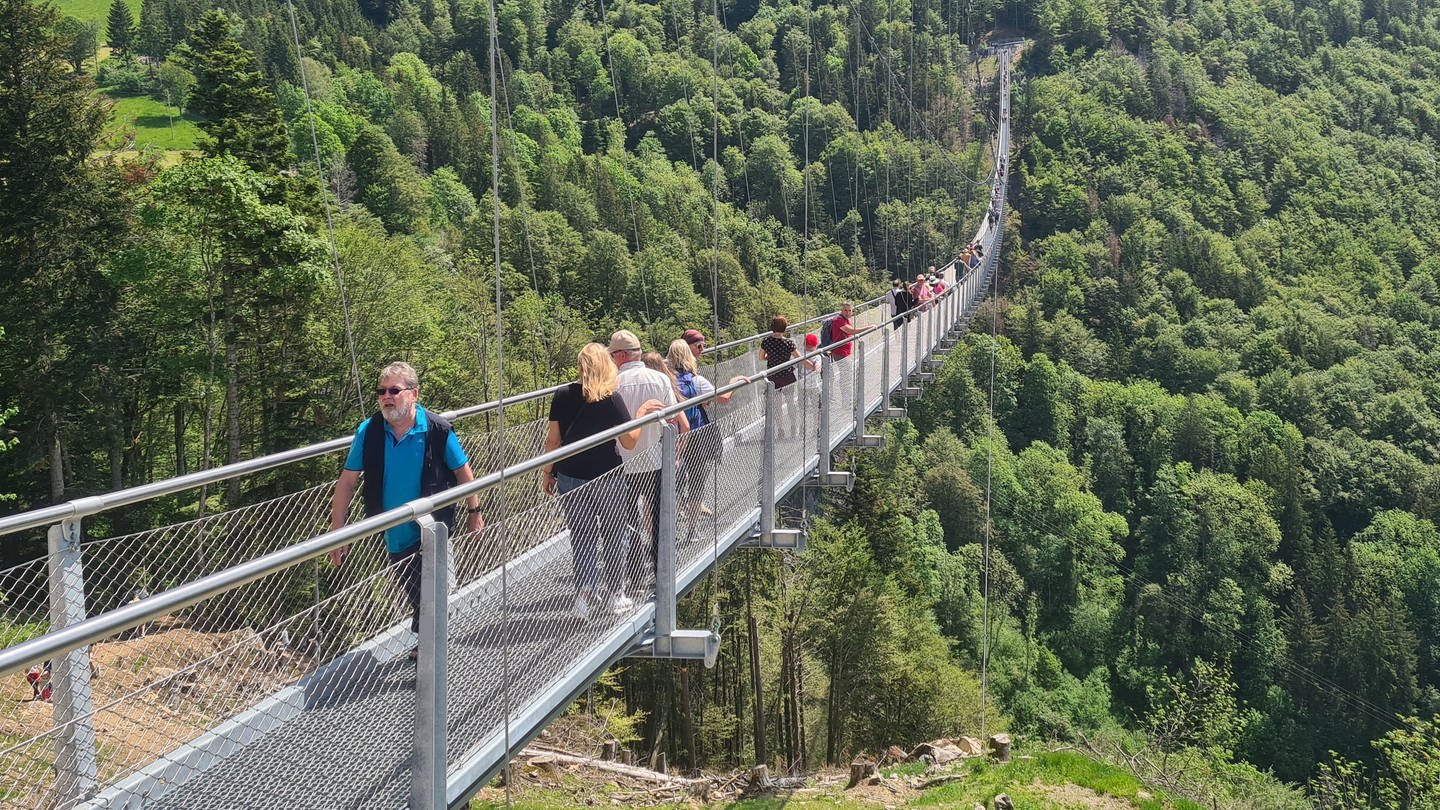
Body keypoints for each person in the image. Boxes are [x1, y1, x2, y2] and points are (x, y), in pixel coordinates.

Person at [329, 361, 485, 660]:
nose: (386, 397)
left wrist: (474, 511)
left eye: (394, 391)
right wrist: (339, 532)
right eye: (381, 391)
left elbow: (464, 473)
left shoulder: (437, 429)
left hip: (433, 524)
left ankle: (429, 655)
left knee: (433, 591)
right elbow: (347, 482)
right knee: (417, 591)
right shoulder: (370, 431)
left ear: (414, 394)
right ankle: (428, 641)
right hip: (394, 530)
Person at [540, 343, 664, 620]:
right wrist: (641, 415)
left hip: (570, 476)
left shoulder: (561, 395)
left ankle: (584, 597)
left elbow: (553, 441)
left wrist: (548, 472)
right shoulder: (611, 398)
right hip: (607, 476)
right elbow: (629, 442)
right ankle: (615, 596)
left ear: (580, 367)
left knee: (582, 536)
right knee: (613, 535)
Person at [610, 330, 688, 612]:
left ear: (620, 356)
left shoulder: (613, 383)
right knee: (658, 519)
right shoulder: (659, 378)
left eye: (612, 355)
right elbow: (671, 417)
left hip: (623, 465)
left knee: (627, 522)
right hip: (656, 460)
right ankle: (659, 571)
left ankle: (633, 575)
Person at [759, 316, 815, 438]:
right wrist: (812, 366)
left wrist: (769, 357)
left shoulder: (766, 341)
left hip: (773, 378)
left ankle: (780, 429)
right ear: (785, 328)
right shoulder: (789, 343)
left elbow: (761, 357)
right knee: (791, 403)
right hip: (787, 377)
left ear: (772, 327)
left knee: (777, 406)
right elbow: (800, 358)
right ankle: (793, 426)